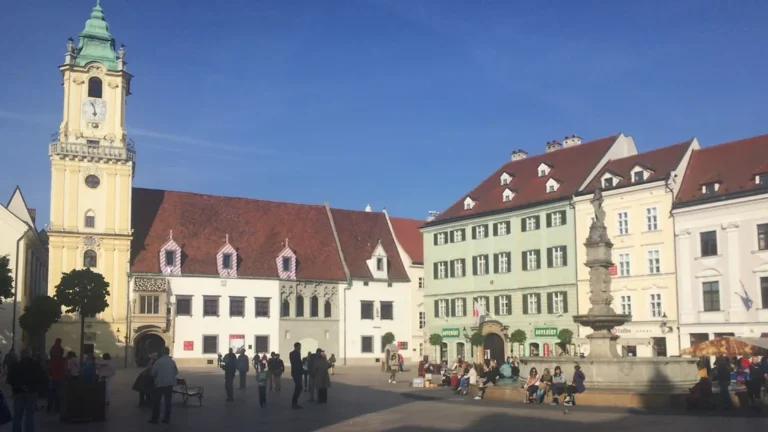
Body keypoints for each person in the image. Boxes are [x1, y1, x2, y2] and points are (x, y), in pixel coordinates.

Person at [7, 349, 43, 432]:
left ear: (21, 355)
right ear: (30, 355)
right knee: (30, 415)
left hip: (18, 392)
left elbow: (9, 379)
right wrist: (33, 387)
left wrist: (19, 386)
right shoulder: (36, 365)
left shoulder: (15, 365)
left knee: (18, 415)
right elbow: (41, 379)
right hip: (32, 392)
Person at [149, 347, 177, 424]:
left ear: (162, 353)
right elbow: (176, 372)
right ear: (168, 352)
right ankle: (166, 418)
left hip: (159, 384)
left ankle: (155, 418)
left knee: (157, 402)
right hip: (169, 384)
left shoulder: (158, 362)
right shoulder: (172, 362)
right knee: (168, 402)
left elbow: (152, 373)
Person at [46, 340, 66, 414]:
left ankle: (49, 408)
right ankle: (57, 408)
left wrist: (49, 376)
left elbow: (48, 369)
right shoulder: (62, 359)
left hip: (52, 378)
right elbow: (65, 369)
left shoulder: (51, 359)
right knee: (59, 394)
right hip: (60, 378)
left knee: (51, 394)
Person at [289, 343, 303, 409]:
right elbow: (296, 363)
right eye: (299, 347)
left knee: (299, 387)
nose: (300, 348)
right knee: (298, 387)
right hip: (296, 372)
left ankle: (295, 402)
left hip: (297, 372)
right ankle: (294, 402)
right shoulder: (295, 353)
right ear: (296, 347)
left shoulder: (295, 353)